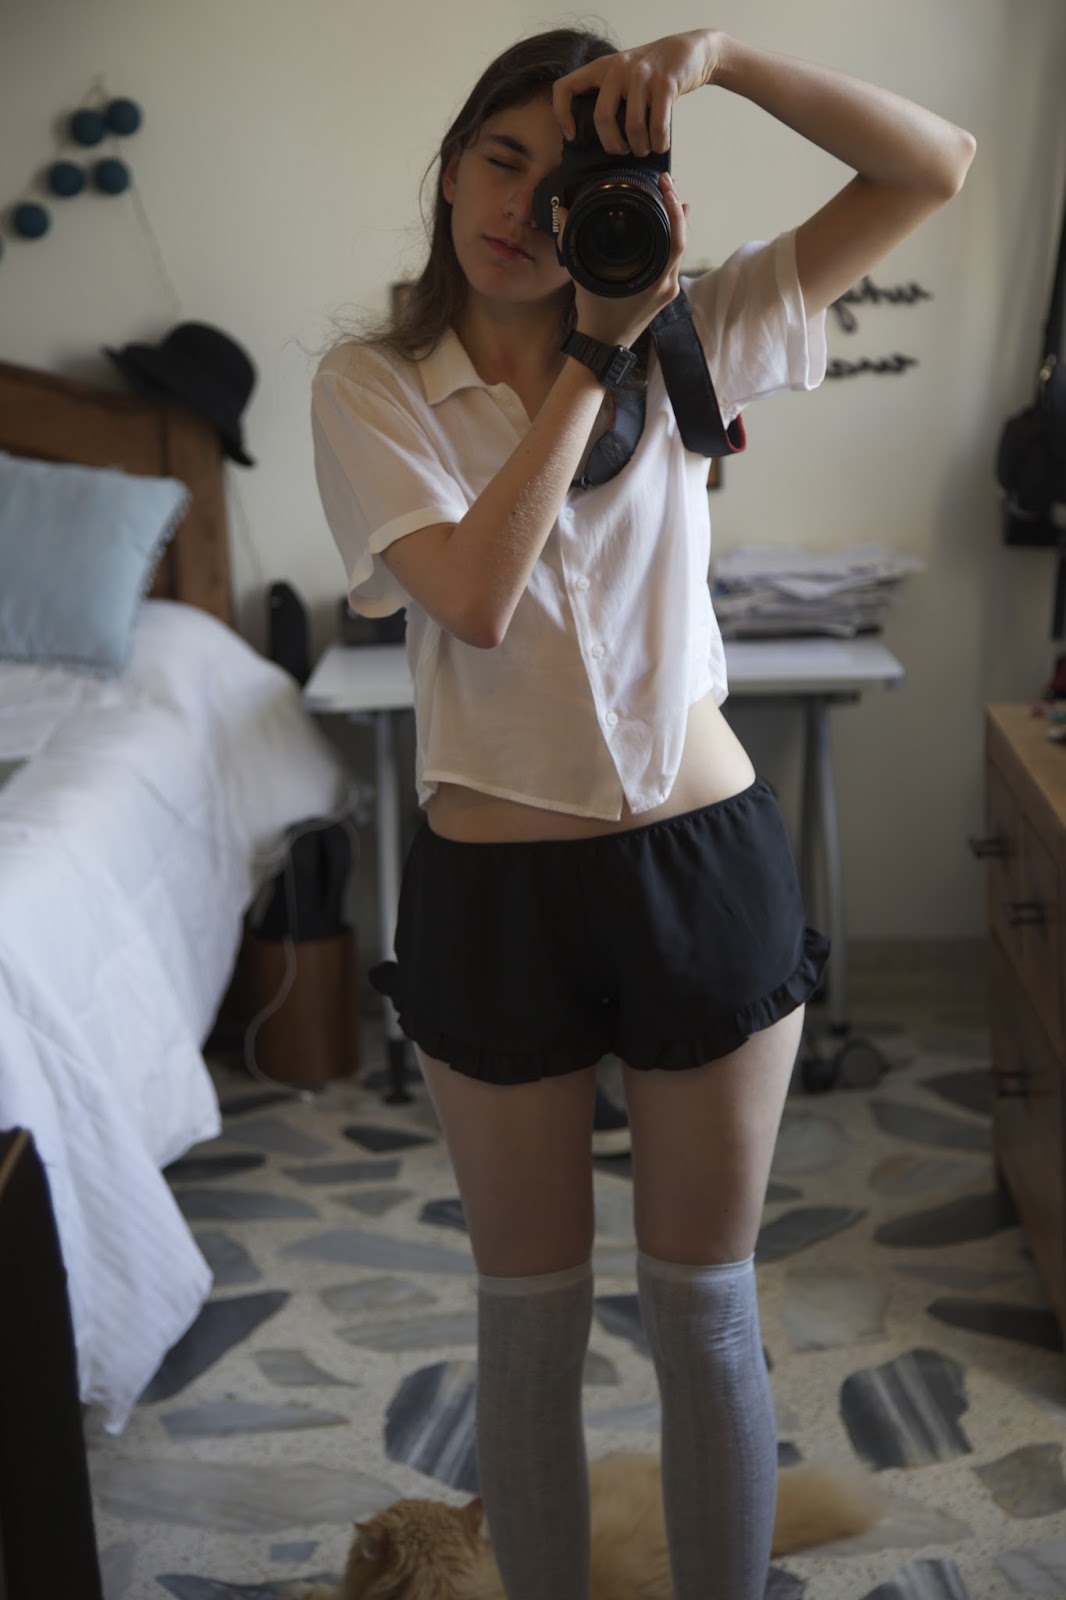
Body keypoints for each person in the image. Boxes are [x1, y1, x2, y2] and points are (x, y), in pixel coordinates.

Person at [311, 26, 974, 1600]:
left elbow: (932, 166)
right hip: (495, 897)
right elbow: (474, 597)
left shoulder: (704, 329)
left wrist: (724, 60)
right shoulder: (373, 385)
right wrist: (597, 357)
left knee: (703, 1311)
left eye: (567, 186)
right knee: (528, 1332)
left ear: (627, 203)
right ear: (450, 167)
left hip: (702, 863)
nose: (521, 211)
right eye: (500, 161)